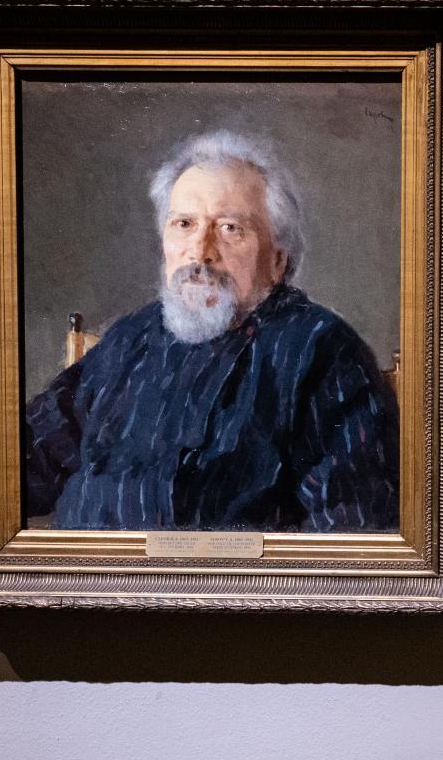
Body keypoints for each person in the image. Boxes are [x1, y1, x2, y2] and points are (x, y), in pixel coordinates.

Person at [24, 131, 399, 532]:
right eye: (184, 223)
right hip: (80, 570)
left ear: (277, 261)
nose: (200, 250)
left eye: (230, 228)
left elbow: (350, 526)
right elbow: (24, 464)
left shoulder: (320, 349)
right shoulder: (130, 338)